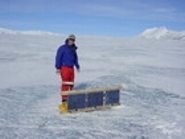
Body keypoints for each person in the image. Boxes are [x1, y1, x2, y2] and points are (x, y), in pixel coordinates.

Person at [55, 34, 80, 104]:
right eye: (71, 39)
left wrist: (77, 66)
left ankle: (70, 96)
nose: (72, 41)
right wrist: (58, 67)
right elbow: (58, 58)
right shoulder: (62, 48)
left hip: (71, 68)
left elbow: (75, 58)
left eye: (73, 40)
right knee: (65, 83)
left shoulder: (73, 49)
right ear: (68, 39)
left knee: (71, 83)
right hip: (64, 67)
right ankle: (64, 99)